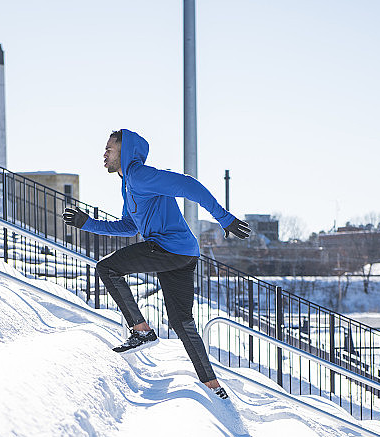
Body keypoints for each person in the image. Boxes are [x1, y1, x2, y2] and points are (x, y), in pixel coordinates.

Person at [62, 129, 250, 399]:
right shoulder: (128, 183)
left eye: (109, 149)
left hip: (167, 248)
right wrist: (87, 223)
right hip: (183, 253)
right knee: (181, 321)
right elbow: (129, 226)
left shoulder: (139, 175)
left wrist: (224, 217)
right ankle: (213, 385)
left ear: (124, 152)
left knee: (107, 268)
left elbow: (189, 185)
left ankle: (141, 332)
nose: (104, 154)